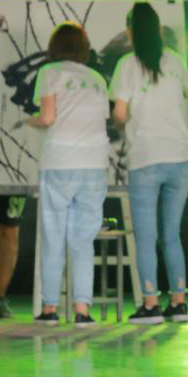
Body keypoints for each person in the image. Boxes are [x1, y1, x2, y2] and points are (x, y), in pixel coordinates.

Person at [110, 3, 188, 325]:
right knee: (171, 235)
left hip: (145, 157)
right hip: (179, 157)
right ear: (159, 29)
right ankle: (179, 303)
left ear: (130, 32)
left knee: (145, 237)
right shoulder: (174, 60)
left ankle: (150, 305)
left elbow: (120, 114)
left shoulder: (127, 65)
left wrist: (122, 123)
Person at [27, 22, 110, 328]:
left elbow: (48, 117)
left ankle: (50, 308)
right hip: (95, 164)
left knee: (53, 236)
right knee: (83, 240)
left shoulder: (50, 72)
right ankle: (82, 310)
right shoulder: (97, 79)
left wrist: (28, 121)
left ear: (55, 47)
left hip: (60, 161)